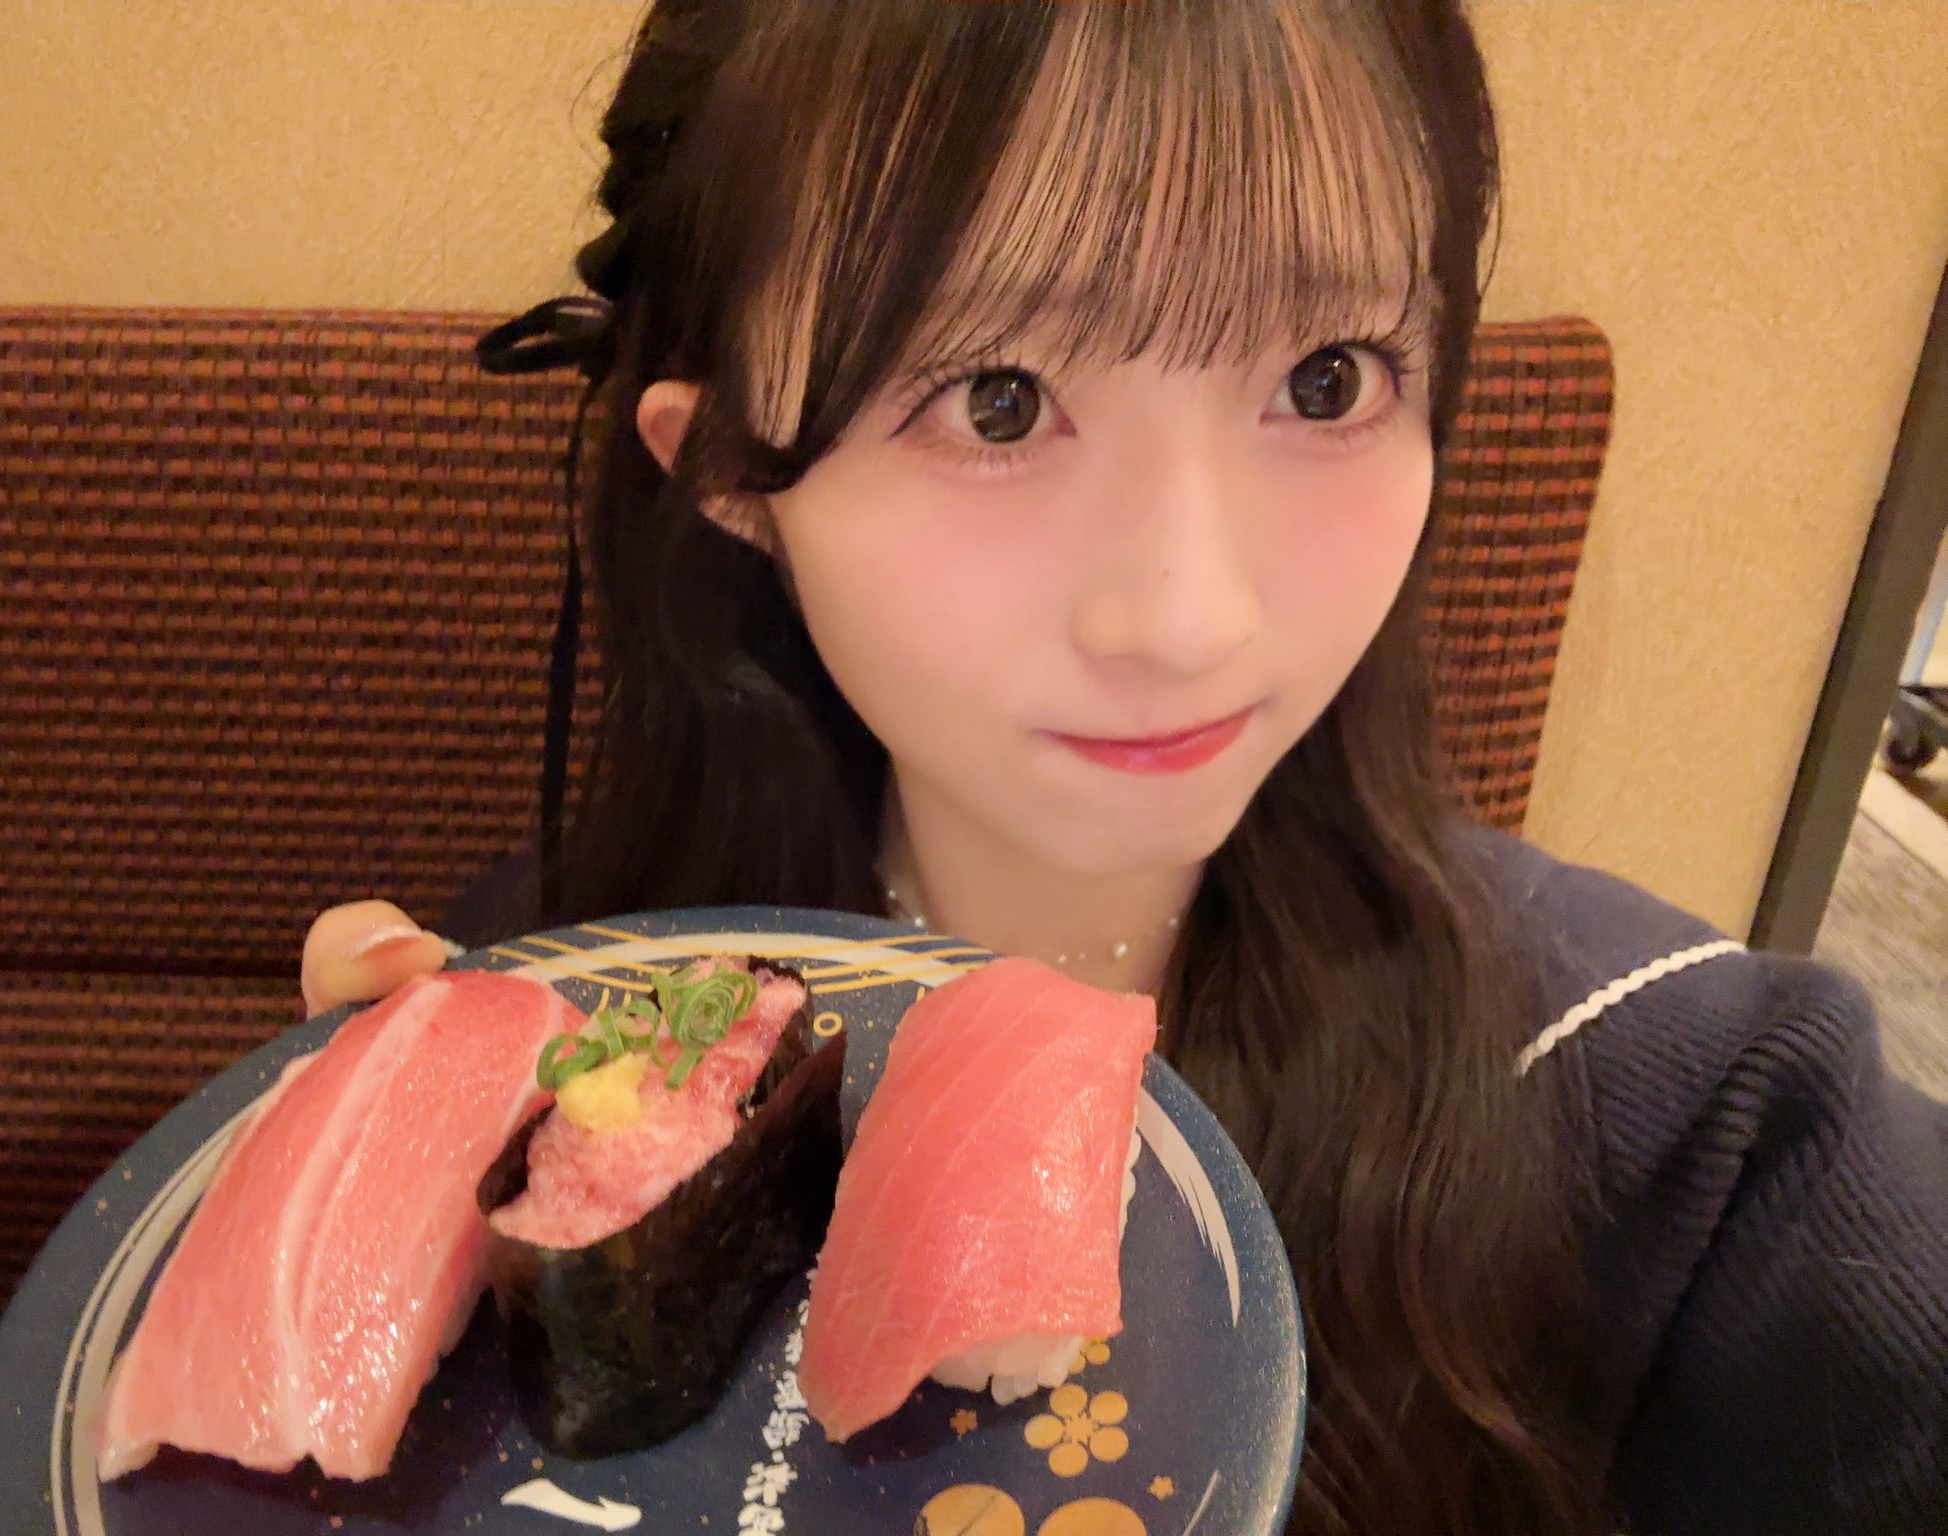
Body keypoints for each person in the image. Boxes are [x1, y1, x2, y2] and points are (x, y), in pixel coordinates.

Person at [301, 3, 1948, 1532]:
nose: (1187, 618)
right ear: (727, 467)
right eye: (999, 402)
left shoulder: (1681, 1117)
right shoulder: (564, 1000)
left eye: (1327, 379)